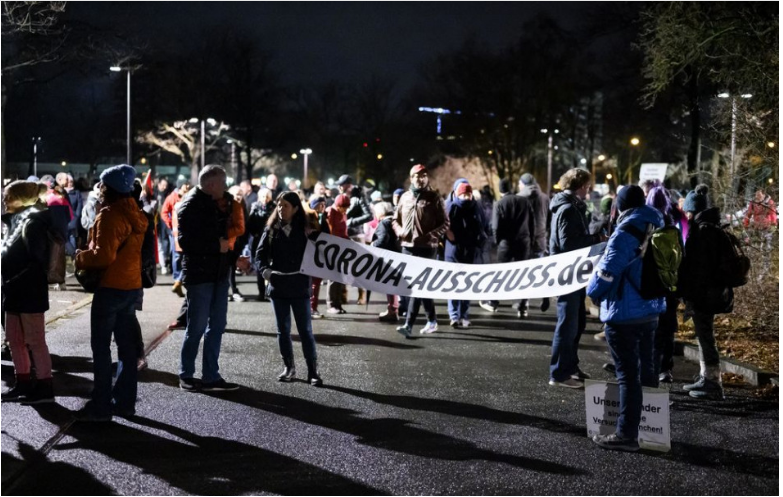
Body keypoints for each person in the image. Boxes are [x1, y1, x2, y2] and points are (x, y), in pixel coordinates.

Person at [587, 185, 666, 452]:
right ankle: (652, 428)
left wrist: (592, 292)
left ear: (620, 206)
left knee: (628, 377)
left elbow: (607, 273)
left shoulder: (624, 232)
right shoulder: (657, 224)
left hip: (624, 314)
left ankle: (626, 434)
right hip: (651, 310)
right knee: (647, 370)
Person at [74, 165, 148, 421]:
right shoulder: (136, 214)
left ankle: (101, 405)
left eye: (103, 185)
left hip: (110, 288)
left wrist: (80, 258)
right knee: (127, 349)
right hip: (131, 286)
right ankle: (125, 402)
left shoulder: (109, 216)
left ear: (110, 188)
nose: (100, 189)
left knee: (102, 349)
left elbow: (103, 256)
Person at [177, 166, 241, 393]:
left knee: (217, 326)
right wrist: (218, 247)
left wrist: (233, 257)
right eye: (223, 184)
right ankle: (186, 375)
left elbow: (223, 236)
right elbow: (185, 242)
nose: (225, 189)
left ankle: (210, 375)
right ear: (212, 184)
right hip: (201, 275)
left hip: (217, 273)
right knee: (196, 327)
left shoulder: (213, 203)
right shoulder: (190, 204)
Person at [256, 191, 323, 386]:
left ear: (295, 209)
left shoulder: (306, 229)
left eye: (285, 205)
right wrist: (265, 271)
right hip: (278, 287)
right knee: (282, 330)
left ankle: (313, 371)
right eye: (278, 205)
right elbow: (259, 255)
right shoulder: (271, 230)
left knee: (305, 331)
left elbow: (323, 249)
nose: (280, 209)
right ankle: (289, 367)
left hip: (300, 287)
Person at [1, 181, 55, 405]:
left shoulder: (33, 223)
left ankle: (44, 386)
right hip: (13, 292)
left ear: (20, 199)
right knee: (14, 339)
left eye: (7, 196)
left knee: (34, 340)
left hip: (29, 291)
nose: (3, 201)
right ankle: (22, 381)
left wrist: (13, 278)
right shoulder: (13, 222)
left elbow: (37, 260)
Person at [548, 168, 601, 389]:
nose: (589, 189)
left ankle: (570, 366)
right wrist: (595, 239)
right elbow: (569, 244)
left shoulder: (571, 207)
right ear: (580, 186)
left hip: (574, 273)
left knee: (576, 321)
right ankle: (559, 373)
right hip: (567, 273)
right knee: (567, 324)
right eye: (588, 185)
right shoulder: (568, 209)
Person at [680, 185, 733, 401]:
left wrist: (690, 295)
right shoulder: (713, 229)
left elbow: (697, 270)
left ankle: (712, 383)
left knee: (706, 336)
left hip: (704, 294)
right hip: (713, 292)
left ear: (692, 211)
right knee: (704, 336)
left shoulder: (701, 233)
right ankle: (706, 377)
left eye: (687, 211)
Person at [394, 164, 449, 338]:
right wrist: (400, 231)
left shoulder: (434, 198)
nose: (420, 179)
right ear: (411, 178)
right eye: (416, 176)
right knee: (418, 287)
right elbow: (395, 220)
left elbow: (445, 223)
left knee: (418, 287)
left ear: (427, 178)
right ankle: (432, 320)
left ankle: (408, 324)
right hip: (408, 248)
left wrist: (432, 236)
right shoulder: (405, 197)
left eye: (423, 175)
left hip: (427, 249)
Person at [646, 186, 685, 383]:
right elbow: (681, 257)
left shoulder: (648, 224)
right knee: (668, 328)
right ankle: (665, 369)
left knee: (652, 330)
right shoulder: (672, 225)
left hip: (652, 286)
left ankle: (649, 369)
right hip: (671, 285)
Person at [483, 179, 535, 318]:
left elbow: (496, 227)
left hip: (506, 243)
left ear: (500, 190)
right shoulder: (525, 202)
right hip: (523, 242)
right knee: (523, 275)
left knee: (501, 273)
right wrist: (531, 240)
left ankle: (493, 301)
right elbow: (532, 223)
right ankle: (522, 306)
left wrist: (497, 241)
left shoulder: (499, 203)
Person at [446, 183, 487, 328]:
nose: (465, 197)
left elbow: (483, 225)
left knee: (466, 285)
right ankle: (454, 315)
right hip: (454, 252)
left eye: (468, 194)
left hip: (469, 251)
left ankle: (464, 315)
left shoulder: (476, 207)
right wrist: (449, 236)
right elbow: (444, 225)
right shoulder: (451, 207)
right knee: (453, 284)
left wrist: (479, 243)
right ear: (457, 195)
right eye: (463, 194)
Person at [338, 175, 373, 306]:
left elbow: (369, 215)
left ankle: (362, 294)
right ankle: (343, 294)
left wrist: (350, 222)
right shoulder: (341, 197)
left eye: (341, 184)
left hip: (356, 235)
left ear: (348, 185)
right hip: (343, 235)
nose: (339, 187)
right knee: (342, 267)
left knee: (359, 267)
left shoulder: (359, 196)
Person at [520, 173, 552, 312]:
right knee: (541, 272)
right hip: (541, 240)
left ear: (523, 184)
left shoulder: (520, 197)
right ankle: (545, 296)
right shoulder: (545, 197)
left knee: (525, 273)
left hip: (524, 241)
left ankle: (523, 302)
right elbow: (550, 219)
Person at [162, 179, 192, 298]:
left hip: (184, 233)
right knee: (177, 256)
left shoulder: (189, 196)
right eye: (186, 185)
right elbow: (164, 212)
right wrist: (170, 224)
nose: (188, 187)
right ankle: (177, 280)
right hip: (174, 233)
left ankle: (179, 281)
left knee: (183, 256)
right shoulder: (172, 198)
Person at [372, 202, 401, 322]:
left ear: (379, 213)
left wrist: (373, 245)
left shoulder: (384, 222)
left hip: (388, 257)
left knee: (390, 286)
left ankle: (392, 311)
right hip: (397, 255)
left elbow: (382, 239)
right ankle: (394, 309)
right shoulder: (395, 220)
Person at [325, 194, 351, 315]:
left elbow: (343, 230)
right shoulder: (331, 212)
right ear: (338, 205)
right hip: (333, 248)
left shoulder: (343, 213)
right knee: (333, 277)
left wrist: (348, 240)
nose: (345, 210)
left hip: (342, 248)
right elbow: (330, 230)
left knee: (340, 278)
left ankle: (338, 303)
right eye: (343, 208)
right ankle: (331, 304)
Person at [743, 188, 778, 278]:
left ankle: (767, 269)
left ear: (763, 195)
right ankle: (756, 270)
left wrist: (774, 224)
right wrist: (746, 224)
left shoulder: (769, 202)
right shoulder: (753, 203)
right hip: (756, 229)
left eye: (759, 195)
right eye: (756, 194)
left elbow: (773, 213)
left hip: (767, 228)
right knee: (755, 248)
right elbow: (748, 214)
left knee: (767, 249)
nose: (757, 196)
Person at [248, 188, 275, 301]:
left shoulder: (274, 207)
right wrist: (255, 233)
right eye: (263, 196)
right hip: (258, 240)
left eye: (267, 196)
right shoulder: (255, 207)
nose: (265, 199)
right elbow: (250, 223)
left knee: (271, 266)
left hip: (271, 240)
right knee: (260, 267)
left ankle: (270, 291)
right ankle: (261, 292)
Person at [306, 195, 330, 318]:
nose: (323, 207)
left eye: (325, 204)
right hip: (310, 254)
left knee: (316, 282)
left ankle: (312, 307)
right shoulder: (308, 217)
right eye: (321, 204)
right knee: (311, 282)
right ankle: (310, 308)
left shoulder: (322, 217)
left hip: (319, 254)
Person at [227, 186, 250, 302]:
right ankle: (233, 290)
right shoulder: (227, 207)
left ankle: (231, 290)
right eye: (236, 194)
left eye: (240, 194)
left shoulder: (243, 207)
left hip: (238, 242)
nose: (238, 196)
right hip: (229, 241)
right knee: (229, 267)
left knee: (231, 266)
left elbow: (246, 226)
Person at [156, 177, 172, 274]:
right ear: (159, 185)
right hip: (158, 222)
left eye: (166, 185)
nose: (164, 187)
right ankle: (163, 263)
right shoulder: (154, 194)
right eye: (163, 185)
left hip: (166, 222)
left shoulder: (168, 195)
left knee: (167, 242)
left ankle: (166, 261)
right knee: (162, 243)